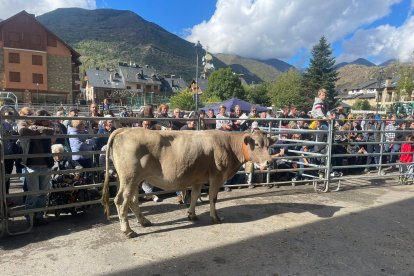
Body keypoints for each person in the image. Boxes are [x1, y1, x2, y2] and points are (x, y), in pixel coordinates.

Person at [18, 109, 55, 224]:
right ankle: (29, 215)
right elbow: (22, 131)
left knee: (43, 192)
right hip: (31, 165)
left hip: (46, 164)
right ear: (40, 119)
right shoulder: (25, 124)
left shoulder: (48, 127)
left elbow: (52, 131)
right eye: (46, 119)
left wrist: (37, 130)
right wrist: (37, 131)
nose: (48, 121)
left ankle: (39, 215)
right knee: (33, 192)